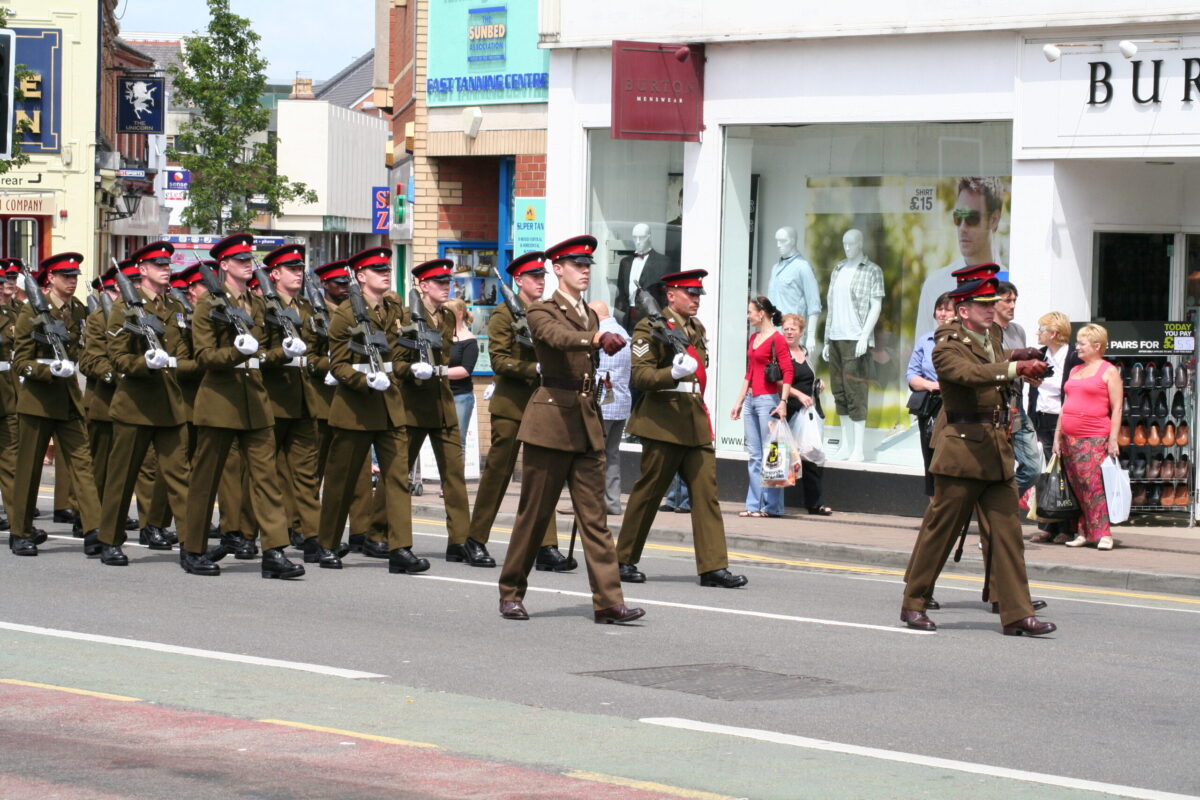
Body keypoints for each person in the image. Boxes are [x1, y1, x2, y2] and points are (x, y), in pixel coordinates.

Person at [899, 267, 1056, 636]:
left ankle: (1017, 614)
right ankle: (913, 603)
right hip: (962, 451)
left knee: (1007, 535)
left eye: (993, 302)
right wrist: (1016, 366)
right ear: (963, 309)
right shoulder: (947, 344)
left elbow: (994, 360)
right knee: (939, 532)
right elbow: (969, 374)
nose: (992, 308)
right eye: (983, 304)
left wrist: (1022, 357)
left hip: (995, 448)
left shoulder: (990, 338)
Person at [497, 234, 645, 624]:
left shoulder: (590, 313)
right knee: (535, 514)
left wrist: (599, 336)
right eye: (576, 265)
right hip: (551, 421)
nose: (584, 271)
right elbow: (555, 338)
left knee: (594, 518)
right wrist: (594, 338)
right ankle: (511, 591)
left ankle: (608, 602)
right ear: (557, 269)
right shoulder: (542, 310)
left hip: (586, 420)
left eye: (587, 266)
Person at [178, 233, 305, 579]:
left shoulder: (258, 304)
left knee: (266, 479)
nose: (248, 265)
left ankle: (274, 551)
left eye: (250, 259)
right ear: (224, 265)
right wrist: (237, 351)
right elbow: (203, 356)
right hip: (220, 400)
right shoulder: (208, 305)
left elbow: (261, 354)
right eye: (240, 260)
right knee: (206, 478)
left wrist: (283, 352)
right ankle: (193, 548)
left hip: (255, 400)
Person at [617, 270, 748, 588]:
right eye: (690, 293)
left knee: (707, 494)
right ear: (670, 295)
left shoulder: (696, 328)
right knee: (649, 492)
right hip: (662, 421)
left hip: (693, 420)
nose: (696, 299)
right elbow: (642, 377)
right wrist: (672, 373)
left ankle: (713, 567)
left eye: (699, 294)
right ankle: (622, 559)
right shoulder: (649, 326)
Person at [313, 246, 426, 574]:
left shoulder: (393, 308)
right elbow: (339, 366)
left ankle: (400, 547)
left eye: (388, 269)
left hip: (390, 406)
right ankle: (328, 544)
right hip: (355, 410)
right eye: (378, 270)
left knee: (397, 480)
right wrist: (366, 382)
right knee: (341, 481)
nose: (386, 273)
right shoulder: (345, 315)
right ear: (361, 277)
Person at [468, 251, 573, 571]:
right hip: (512, 405)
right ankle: (476, 539)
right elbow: (499, 362)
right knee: (498, 474)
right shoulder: (503, 315)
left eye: (543, 277)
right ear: (519, 281)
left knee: (543, 475)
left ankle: (546, 546)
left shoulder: (548, 314)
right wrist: (535, 367)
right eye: (534, 278)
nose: (540, 282)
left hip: (543, 404)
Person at [95, 241, 195, 565]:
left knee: (180, 477)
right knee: (122, 478)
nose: (165, 269)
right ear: (142, 271)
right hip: (135, 405)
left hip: (169, 404)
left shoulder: (174, 308)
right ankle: (110, 540)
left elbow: (182, 353)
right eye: (158, 265)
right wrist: (144, 363)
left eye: (167, 265)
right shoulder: (126, 308)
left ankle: (192, 546)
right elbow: (118, 357)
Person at [9, 252, 103, 557]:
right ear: (50, 279)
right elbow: (20, 362)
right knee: (29, 469)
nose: (72, 281)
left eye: (75, 276)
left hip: (69, 398)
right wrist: (47, 370)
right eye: (66, 276)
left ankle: (94, 529)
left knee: (83, 466)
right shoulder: (31, 311)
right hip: (38, 400)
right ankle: (20, 531)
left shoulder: (77, 309)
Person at [397, 259, 474, 566]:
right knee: (398, 472)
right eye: (439, 282)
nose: (446, 286)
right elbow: (397, 361)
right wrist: (414, 370)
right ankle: (376, 532)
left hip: (443, 404)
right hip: (413, 405)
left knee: (454, 475)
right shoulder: (405, 317)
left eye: (448, 282)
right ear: (423, 285)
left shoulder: (446, 316)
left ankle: (459, 541)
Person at [1054, 324, 1122, 551]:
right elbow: (1064, 406)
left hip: (1093, 437)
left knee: (1093, 486)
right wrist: (1057, 436)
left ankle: (1103, 533)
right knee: (1076, 487)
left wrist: (1113, 439)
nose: (1077, 347)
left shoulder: (1108, 370)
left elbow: (1118, 407)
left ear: (1097, 346)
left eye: (1082, 343)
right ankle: (1083, 531)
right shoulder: (1075, 370)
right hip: (1069, 437)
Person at [915, 177, 1006, 339]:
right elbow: (921, 350)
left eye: (972, 218)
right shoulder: (935, 284)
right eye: (958, 217)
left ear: (994, 219)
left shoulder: (1010, 283)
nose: (963, 227)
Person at [823, 229, 884, 462]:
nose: (847, 247)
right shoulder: (838, 269)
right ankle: (846, 445)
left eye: (851, 243)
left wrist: (863, 337)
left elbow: (875, 306)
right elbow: (831, 306)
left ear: (860, 244)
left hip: (855, 337)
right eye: (844, 243)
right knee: (839, 392)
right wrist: (828, 338)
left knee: (855, 392)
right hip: (837, 337)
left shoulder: (872, 270)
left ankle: (858, 447)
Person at [729, 296, 791, 518]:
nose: (748, 316)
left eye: (750, 312)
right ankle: (753, 504)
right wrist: (738, 401)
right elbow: (749, 373)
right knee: (755, 455)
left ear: (761, 313)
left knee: (771, 454)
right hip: (751, 400)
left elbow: (788, 371)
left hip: (768, 401)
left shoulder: (778, 339)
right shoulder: (754, 338)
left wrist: (783, 402)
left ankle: (772, 506)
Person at [1027, 312, 1082, 543]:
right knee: (1047, 471)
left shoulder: (1073, 357)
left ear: (1054, 333)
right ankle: (1047, 524)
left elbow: (1073, 389)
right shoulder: (1039, 355)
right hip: (1041, 416)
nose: (1038, 332)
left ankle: (1066, 528)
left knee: (1065, 472)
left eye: (1042, 329)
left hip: (1063, 418)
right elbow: (1033, 388)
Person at [907, 292, 956, 496]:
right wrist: (930, 385)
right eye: (940, 309)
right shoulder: (925, 340)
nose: (942, 314)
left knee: (952, 458)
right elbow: (911, 375)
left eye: (947, 309)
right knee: (931, 457)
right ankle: (934, 510)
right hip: (931, 406)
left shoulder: (960, 341)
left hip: (953, 406)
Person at [994, 281, 1040, 495]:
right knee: (995, 468)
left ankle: (1001, 504)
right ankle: (997, 513)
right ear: (993, 302)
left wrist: (1031, 375)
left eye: (1014, 301)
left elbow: (1019, 370)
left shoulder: (1018, 330)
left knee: (1032, 469)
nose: (1012, 305)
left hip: (1016, 405)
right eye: (1007, 300)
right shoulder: (987, 334)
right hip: (995, 405)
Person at [782, 313, 831, 515]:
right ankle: (770, 503)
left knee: (811, 453)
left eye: (793, 329)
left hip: (806, 413)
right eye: (786, 329)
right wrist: (798, 395)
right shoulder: (781, 353)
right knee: (783, 456)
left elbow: (806, 378)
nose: (789, 332)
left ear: (801, 332)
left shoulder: (804, 353)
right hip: (788, 410)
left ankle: (814, 503)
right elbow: (777, 382)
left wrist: (816, 385)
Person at [589, 300, 631, 515]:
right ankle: (612, 503)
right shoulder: (623, 332)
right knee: (612, 455)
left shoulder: (602, 336)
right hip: (621, 403)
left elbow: (597, 371)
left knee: (594, 455)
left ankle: (592, 503)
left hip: (603, 404)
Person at [766, 227, 820, 355]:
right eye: (777, 241)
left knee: (793, 373)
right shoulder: (775, 268)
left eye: (783, 241)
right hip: (775, 335)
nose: (778, 245)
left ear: (793, 241)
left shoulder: (803, 267)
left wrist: (811, 336)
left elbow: (814, 305)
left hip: (793, 336)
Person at [614, 223, 672, 331]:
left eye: (642, 237)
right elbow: (620, 294)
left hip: (651, 319)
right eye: (635, 237)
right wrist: (617, 321)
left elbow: (666, 297)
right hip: (627, 318)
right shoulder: (625, 262)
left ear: (649, 237)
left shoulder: (663, 263)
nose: (638, 241)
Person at [444, 298, 478, 460]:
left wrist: (439, 372)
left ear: (460, 314)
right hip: (440, 394)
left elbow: (466, 370)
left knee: (457, 441)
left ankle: (455, 483)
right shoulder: (441, 336)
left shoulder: (469, 340)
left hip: (460, 396)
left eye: (447, 312)